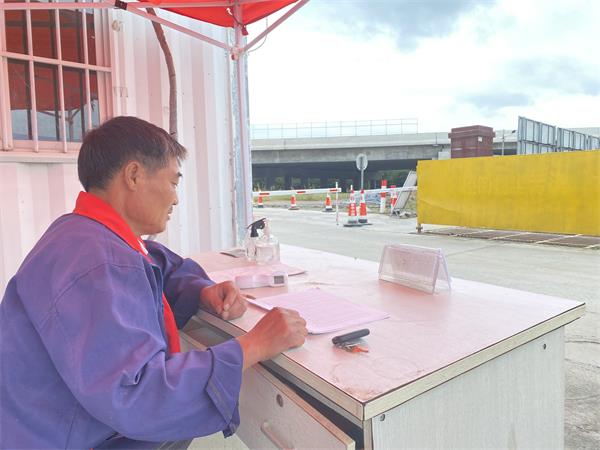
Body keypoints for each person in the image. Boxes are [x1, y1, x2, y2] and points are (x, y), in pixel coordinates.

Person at [0, 116, 308, 449]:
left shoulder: (83, 233)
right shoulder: (100, 262)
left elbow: (160, 265)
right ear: (133, 175)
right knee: (176, 422)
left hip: (39, 423)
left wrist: (202, 291)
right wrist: (255, 345)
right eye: (173, 182)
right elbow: (138, 394)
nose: (176, 199)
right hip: (60, 439)